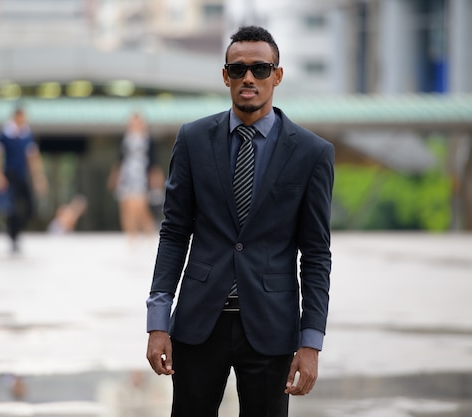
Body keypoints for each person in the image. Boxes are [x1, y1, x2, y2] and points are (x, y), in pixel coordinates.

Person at [145, 25, 334, 417]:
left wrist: (311, 342)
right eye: (238, 70)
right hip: (198, 324)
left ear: (277, 76)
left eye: (260, 69)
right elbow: (174, 232)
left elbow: (315, 254)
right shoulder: (193, 139)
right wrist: (158, 322)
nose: (248, 78)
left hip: (271, 327)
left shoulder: (313, 153)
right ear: (225, 76)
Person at [0, 107, 48, 252]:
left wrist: (39, 177)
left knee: (29, 208)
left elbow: (33, 157)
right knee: (13, 207)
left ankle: (13, 230)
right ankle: (13, 236)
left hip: (22, 175)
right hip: (9, 174)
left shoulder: (27, 135)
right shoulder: (4, 134)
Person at [107, 112, 164, 239]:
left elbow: (154, 161)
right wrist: (114, 176)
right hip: (126, 175)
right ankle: (131, 236)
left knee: (140, 207)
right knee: (126, 206)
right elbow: (120, 159)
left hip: (141, 175)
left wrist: (156, 178)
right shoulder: (124, 138)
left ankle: (148, 234)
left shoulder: (149, 139)